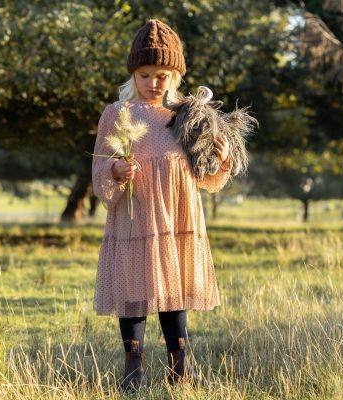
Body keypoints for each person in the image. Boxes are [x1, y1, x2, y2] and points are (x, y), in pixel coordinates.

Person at [91, 19, 232, 391]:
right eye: (145, 74)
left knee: (173, 290)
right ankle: (133, 368)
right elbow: (100, 167)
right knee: (134, 291)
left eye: (162, 74)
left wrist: (222, 158)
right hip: (137, 216)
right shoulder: (118, 114)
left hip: (176, 217)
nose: (154, 82)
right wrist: (116, 169)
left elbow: (205, 176)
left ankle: (179, 368)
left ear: (176, 75)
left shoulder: (188, 115)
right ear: (133, 74)